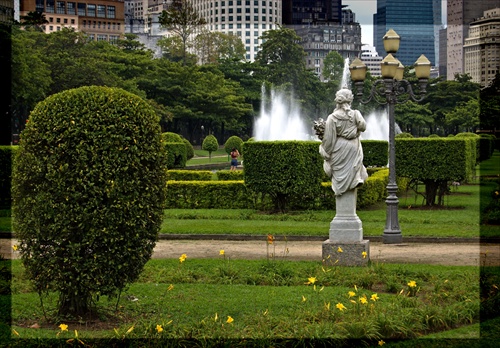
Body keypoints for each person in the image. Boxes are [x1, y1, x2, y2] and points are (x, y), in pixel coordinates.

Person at [319, 88, 368, 196]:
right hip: (354, 145)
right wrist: (356, 129)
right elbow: (363, 126)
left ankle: (350, 183)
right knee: (354, 169)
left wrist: (323, 151)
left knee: (339, 174)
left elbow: (329, 140)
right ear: (350, 101)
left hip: (339, 147)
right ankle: (355, 180)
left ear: (337, 102)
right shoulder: (356, 114)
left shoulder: (332, 117)